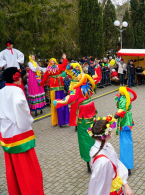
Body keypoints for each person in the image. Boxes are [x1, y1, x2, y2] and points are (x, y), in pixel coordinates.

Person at [0, 67, 44, 195]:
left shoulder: (1, 92)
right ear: (17, 77)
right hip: (20, 135)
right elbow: (19, 103)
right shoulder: (17, 91)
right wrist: (27, 121)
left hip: (6, 135)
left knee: (13, 170)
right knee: (28, 170)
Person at [54, 73, 101, 172]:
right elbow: (96, 79)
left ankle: (89, 160)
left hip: (84, 113)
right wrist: (95, 72)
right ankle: (96, 156)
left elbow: (69, 98)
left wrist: (58, 102)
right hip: (91, 110)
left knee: (84, 136)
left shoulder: (78, 89)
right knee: (93, 133)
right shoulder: (89, 86)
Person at [87, 116, 133, 195]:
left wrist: (125, 185)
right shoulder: (103, 161)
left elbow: (117, 164)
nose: (112, 131)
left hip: (116, 189)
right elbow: (99, 187)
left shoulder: (105, 147)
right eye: (111, 130)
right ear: (107, 134)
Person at [40, 55, 70, 127]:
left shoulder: (59, 66)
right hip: (53, 87)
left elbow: (64, 65)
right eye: (51, 61)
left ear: (55, 62)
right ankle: (56, 120)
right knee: (55, 104)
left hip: (60, 87)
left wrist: (64, 58)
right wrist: (41, 85)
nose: (52, 62)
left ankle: (64, 119)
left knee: (62, 102)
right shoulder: (48, 69)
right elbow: (45, 77)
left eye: (53, 61)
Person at [114, 87, 137, 175]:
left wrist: (115, 116)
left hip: (124, 121)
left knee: (125, 143)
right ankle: (125, 164)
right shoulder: (125, 97)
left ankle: (127, 165)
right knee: (125, 142)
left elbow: (122, 110)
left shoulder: (124, 99)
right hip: (126, 120)